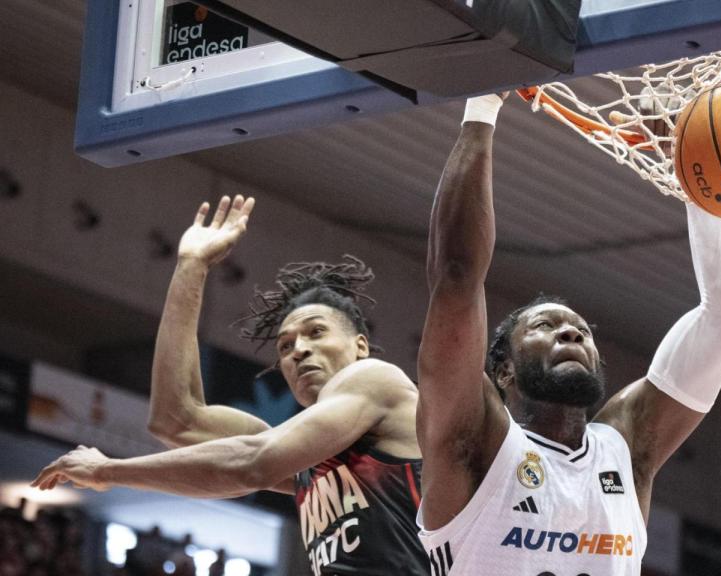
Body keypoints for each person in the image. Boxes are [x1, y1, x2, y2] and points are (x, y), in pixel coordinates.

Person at [415, 95, 721, 575]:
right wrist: (484, 105)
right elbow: (456, 277)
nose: (571, 335)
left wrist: (692, 172)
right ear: (503, 370)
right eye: (545, 326)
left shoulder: (625, 446)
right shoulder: (475, 442)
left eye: (581, 331)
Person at [33, 196, 429, 576]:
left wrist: (106, 471)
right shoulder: (302, 456)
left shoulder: (376, 378)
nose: (299, 350)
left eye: (316, 332)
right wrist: (190, 267)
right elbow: (176, 420)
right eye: (286, 345)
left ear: (360, 345)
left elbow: (252, 463)